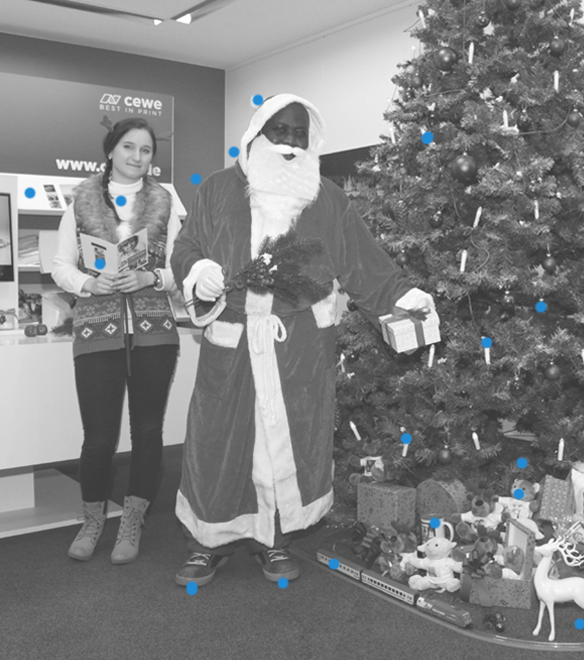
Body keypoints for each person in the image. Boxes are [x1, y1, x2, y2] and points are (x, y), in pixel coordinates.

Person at [170, 93, 438, 587]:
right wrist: (198, 269)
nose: (290, 143)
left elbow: (364, 264)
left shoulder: (328, 198)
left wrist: (404, 297)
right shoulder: (216, 190)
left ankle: (275, 541)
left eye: (300, 134)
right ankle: (207, 542)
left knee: (289, 445)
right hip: (233, 342)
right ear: (256, 135)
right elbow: (185, 247)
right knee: (218, 442)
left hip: (301, 349)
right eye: (280, 131)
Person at [53, 117, 181, 563]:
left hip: (154, 332)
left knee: (147, 431)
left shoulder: (165, 202)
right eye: (128, 147)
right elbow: (60, 264)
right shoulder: (82, 201)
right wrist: (89, 284)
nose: (136, 157)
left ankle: (132, 520)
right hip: (96, 329)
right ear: (111, 150)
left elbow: (182, 266)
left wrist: (152, 277)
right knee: (98, 437)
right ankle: (92, 520)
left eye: (145, 150)